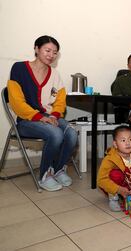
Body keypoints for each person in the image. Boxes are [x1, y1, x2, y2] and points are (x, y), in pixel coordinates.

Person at [7, 35, 78, 192]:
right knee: (56, 134)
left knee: (72, 134)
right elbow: (17, 103)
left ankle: (57, 170)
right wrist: (40, 117)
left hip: (49, 117)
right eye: (47, 50)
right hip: (26, 121)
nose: (51, 55)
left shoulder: (55, 74)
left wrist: (54, 115)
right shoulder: (19, 68)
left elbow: (60, 100)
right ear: (36, 49)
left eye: (54, 52)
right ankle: (45, 175)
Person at [97, 125, 131, 212]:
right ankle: (113, 197)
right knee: (115, 174)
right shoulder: (110, 158)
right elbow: (101, 180)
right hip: (113, 186)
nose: (127, 143)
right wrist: (118, 189)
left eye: (130, 140)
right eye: (123, 140)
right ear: (115, 144)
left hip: (129, 185)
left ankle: (125, 196)